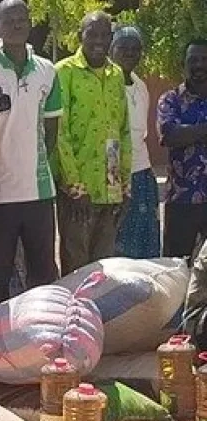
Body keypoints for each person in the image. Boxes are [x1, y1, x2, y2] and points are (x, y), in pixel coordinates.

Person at [0, 0, 63, 304]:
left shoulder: (47, 72)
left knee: (43, 274)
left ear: (30, 24)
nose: (17, 25)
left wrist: (35, 165)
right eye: (9, 21)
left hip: (38, 193)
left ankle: (41, 338)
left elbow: (51, 131)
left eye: (22, 19)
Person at [55, 11, 132, 274]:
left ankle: (100, 317)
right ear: (80, 36)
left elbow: (122, 132)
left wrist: (123, 184)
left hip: (109, 189)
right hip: (79, 194)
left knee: (104, 271)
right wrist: (75, 188)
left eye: (105, 35)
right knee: (75, 268)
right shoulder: (64, 73)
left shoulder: (116, 75)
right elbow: (60, 133)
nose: (99, 41)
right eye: (92, 34)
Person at [108, 26, 160, 259]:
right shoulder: (106, 83)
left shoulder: (140, 86)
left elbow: (142, 135)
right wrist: (114, 184)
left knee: (146, 245)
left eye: (135, 49)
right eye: (123, 48)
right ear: (112, 50)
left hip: (142, 174)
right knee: (120, 248)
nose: (130, 53)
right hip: (117, 178)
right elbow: (109, 137)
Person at [158, 39, 207, 258]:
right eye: (193, 60)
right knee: (176, 267)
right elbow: (170, 135)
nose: (199, 65)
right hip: (181, 201)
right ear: (183, 64)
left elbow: (181, 133)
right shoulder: (171, 100)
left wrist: (191, 132)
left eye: (204, 59)